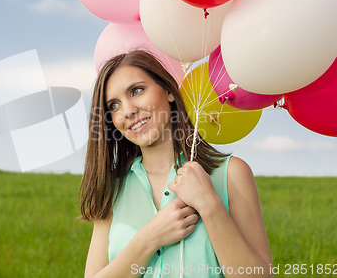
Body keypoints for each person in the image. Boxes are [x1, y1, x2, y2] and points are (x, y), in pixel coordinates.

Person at [79, 50, 273, 278]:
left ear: (169, 91)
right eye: (114, 105)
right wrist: (149, 238)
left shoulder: (231, 174)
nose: (128, 111)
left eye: (137, 90)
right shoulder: (113, 189)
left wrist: (210, 205)